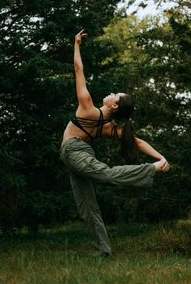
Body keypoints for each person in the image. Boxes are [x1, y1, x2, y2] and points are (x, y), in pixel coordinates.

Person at [60, 30, 170, 256]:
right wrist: (161, 156)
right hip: (77, 155)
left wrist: (76, 44)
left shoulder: (88, 107)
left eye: (115, 94)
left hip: (74, 152)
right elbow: (138, 142)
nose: (111, 92)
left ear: (115, 106)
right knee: (87, 207)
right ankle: (103, 250)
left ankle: (148, 171)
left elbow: (78, 69)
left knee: (107, 174)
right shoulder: (109, 126)